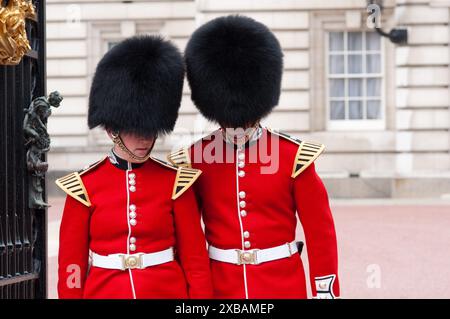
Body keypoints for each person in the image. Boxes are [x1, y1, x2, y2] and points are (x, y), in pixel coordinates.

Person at [168, 15, 340, 299]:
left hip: (282, 285)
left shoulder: (293, 157)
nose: (238, 126)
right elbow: (187, 237)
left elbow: (320, 235)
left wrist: (325, 293)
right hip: (222, 288)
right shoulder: (194, 159)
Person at [56, 35, 212, 299]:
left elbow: (195, 261)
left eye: (150, 130)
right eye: (135, 130)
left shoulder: (176, 183)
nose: (144, 138)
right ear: (112, 130)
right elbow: (72, 266)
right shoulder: (83, 187)